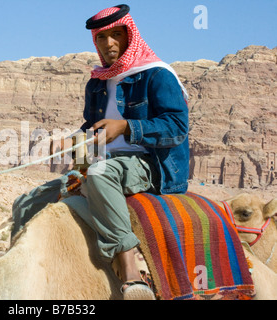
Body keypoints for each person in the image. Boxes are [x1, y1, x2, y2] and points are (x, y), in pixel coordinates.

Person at [75, 4, 189, 299]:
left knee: (99, 174)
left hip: (152, 163)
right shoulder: (97, 81)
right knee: (46, 192)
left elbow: (176, 127)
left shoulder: (156, 75)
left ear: (129, 34)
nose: (109, 43)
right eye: (102, 37)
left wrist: (126, 127)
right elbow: (93, 124)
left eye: (116, 35)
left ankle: (129, 268)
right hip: (110, 158)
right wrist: (72, 139)